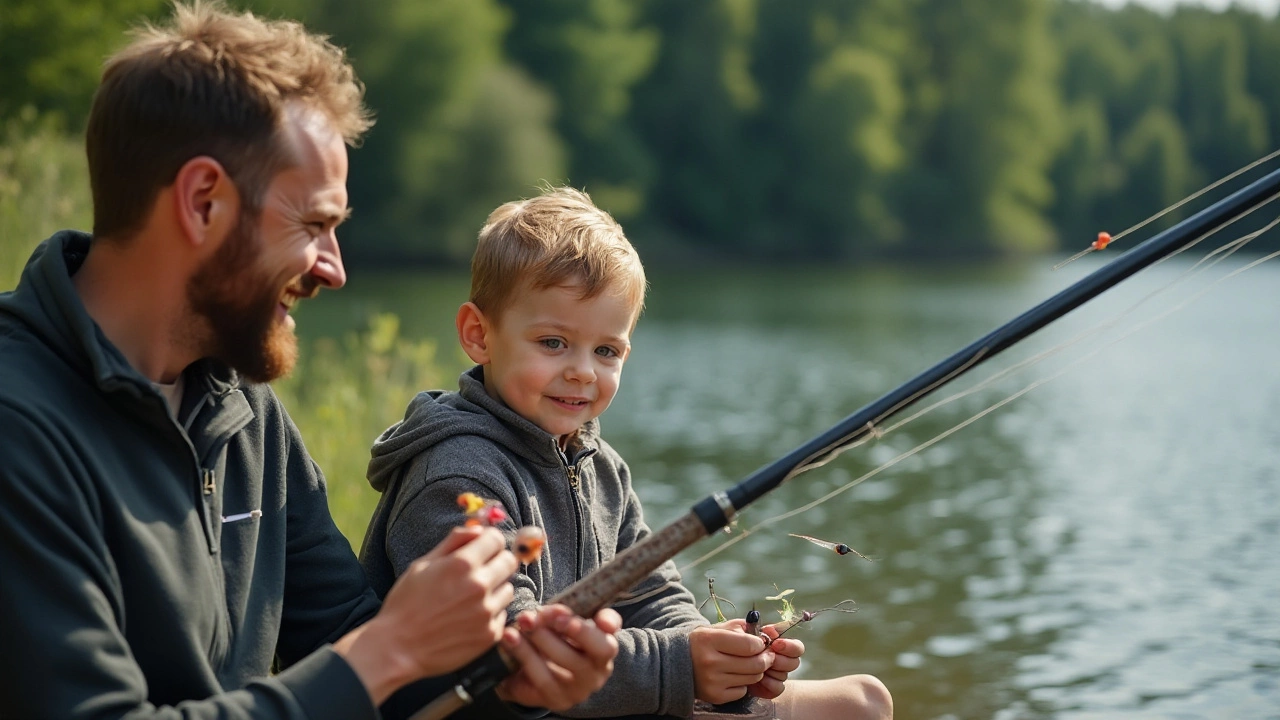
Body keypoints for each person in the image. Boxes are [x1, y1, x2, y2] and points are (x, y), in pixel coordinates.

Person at [0, 4, 620, 719]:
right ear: (203, 202)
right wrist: (388, 648)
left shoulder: (242, 411)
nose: (334, 268)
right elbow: (369, 657)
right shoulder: (19, 425)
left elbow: (346, 640)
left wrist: (510, 677)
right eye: (315, 225)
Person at [359, 187, 893, 719]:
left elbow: (651, 595)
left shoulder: (601, 465)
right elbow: (514, 655)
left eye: (606, 350)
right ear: (479, 335)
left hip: (606, 695)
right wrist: (679, 668)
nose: (582, 371)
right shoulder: (455, 475)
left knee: (864, 701)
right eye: (552, 342)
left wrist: (717, 657)